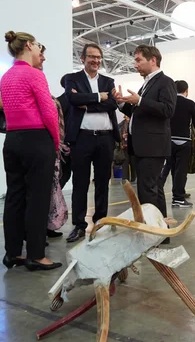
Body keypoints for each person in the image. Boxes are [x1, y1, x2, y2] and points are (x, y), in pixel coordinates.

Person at [0, 30, 61, 271]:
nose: (39, 51)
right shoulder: (34, 75)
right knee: (37, 199)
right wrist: (55, 142)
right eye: (37, 46)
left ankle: (12, 253)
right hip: (37, 140)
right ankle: (36, 255)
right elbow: (49, 112)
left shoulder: (6, 76)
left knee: (14, 196)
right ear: (27, 45)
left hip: (12, 140)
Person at [114, 45, 176, 239]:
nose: (135, 64)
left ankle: (153, 233)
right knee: (153, 188)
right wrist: (123, 103)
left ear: (153, 60)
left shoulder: (165, 82)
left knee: (147, 189)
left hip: (153, 146)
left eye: (139, 60)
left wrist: (140, 101)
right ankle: (160, 231)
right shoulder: (148, 83)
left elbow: (167, 110)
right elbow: (137, 112)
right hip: (144, 145)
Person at [64, 44, 120, 243]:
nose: (96, 61)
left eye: (98, 57)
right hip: (82, 138)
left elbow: (113, 103)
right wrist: (98, 97)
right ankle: (79, 225)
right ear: (82, 58)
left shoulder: (108, 80)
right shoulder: (72, 79)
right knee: (80, 183)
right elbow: (71, 98)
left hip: (105, 138)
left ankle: (101, 222)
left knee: (103, 182)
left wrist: (87, 104)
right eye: (91, 57)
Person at [160, 80, 195, 208]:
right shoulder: (190, 103)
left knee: (167, 167)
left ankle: (158, 193)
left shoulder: (169, 103)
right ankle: (178, 198)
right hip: (184, 141)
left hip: (168, 141)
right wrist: (194, 136)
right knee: (180, 171)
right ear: (187, 90)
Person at [119, 115, 137, 182]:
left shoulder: (134, 123)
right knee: (125, 163)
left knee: (133, 162)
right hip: (124, 146)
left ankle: (133, 178)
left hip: (133, 145)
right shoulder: (122, 124)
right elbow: (117, 132)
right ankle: (125, 179)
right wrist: (122, 136)